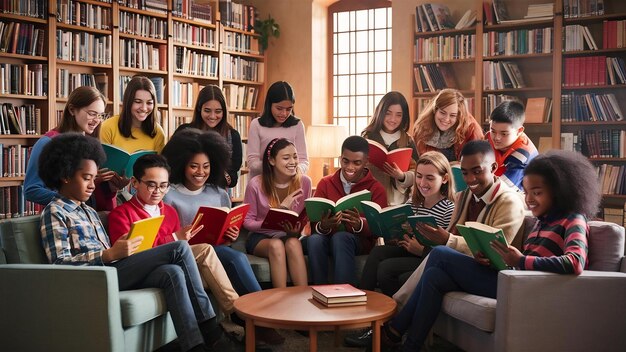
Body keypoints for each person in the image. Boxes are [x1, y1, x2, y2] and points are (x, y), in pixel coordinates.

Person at [375, 149, 601, 351]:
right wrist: (495, 259)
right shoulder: (542, 221)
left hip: (530, 289)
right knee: (435, 275)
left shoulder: (573, 220)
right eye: (528, 192)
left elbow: (574, 262)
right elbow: (521, 262)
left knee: (441, 254)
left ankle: (394, 329)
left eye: (537, 193)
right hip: (514, 278)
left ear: (558, 190)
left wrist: (521, 261)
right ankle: (410, 345)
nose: (529, 200)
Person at [37, 133, 240, 352]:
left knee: (172, 272)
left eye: (93, 178)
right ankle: (212, 331)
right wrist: (108, 255)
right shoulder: (55, 211)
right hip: (94, 278)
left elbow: (110, 250)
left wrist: (119, 249)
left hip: (112, 269)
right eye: (87, 178)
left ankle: (195, 346)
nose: (92, 185)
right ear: (66, 175)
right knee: (180, 248)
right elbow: (58, 264)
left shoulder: (89, 211)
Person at [160, 129, 284, 346]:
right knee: (235, 259)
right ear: (181, 165)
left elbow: (226, 238)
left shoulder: (218, 193)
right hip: (188, 255)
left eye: (206, 166)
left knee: (231, 255)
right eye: (194, 166)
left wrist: (232, 234)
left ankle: (256, 322)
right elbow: (167, 236)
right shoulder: (169, 194)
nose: (200, 172)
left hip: (216, 251)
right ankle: (260, 320)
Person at [392, 140, 526, 311]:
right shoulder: (464, 196)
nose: (470, 179)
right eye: (464, 173)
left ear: (493, 167)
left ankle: (397, 307)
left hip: (495, 274)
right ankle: (398, 332)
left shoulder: (508, 202)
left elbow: (496, 252)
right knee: (433, 275)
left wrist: (447, 240)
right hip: (468, 263)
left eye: (477, 172)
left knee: (439, 252)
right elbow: (453, 232)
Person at [345, 151, 454, 348]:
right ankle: (366, 318)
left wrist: (420, 249)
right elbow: (401, 230)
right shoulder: (413, 203)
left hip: (427, 259)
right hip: (411, 249)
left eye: (430, 178)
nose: (422, 183)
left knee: (387, 268)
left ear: (444, 179)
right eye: (419, 176)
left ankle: (387, 323)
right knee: (378, 253)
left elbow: (446, 251)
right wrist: (392, 234)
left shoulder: (448, 209)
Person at [303, 136, 388, 285]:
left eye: (357, 163)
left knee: (341, 237)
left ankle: (344, 293)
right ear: (340, 158)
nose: (350, 167)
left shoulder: (376, 188)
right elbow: (314, 225)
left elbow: (381, 228)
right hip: (326, 238)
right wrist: (324, 225)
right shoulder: (325, 183)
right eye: (345, 161)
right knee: (314, 240)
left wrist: (359, 225)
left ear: (366, 162)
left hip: (357, 242)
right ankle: (318, 291)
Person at [24, 86, 121, 210]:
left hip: (91, 216)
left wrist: (111, 187)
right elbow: (31, 190)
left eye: (100, 115)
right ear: (72, 109)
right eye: (92, 114)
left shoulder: (92, 145)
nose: (97, 120)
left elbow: (91, 192)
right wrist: (71, 198)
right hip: (63, 217)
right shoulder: (47, 143)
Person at [243, 137, 312, 288]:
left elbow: (305, 216)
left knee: (293, 243)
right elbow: (247, 221)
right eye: (286, 158)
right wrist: (278, 212)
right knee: (276, 245)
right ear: (272, 161)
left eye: (295, 157)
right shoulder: (255, 184)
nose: (293, 162)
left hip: (290, 235)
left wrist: (297, 231)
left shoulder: (305, 182)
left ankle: (303, 296)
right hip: (261, 237)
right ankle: (279, 300)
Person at [175, 85, 243, 188]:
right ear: (199, 109)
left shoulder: (233, 136)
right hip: (184, 193)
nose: (212, 116)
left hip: (216, 196)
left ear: (224, 112)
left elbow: (233, 178)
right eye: (207, 111)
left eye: (218, 111)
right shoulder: (184, 132)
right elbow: (173, 165)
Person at [362, 91, 419, 205]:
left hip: (399, 201)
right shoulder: (367, 137)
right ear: (380, 112)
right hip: (372, 197)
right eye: (388, 113)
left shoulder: (407, 141)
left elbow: (418, 173)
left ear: (404, 117)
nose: (393, 119)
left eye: (398, 115)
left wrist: (402, 176)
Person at [246, 81, 308, 178]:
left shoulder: (298, 125)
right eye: (279, 108)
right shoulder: (256, 125)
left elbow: (304, 161)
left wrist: (293, 170)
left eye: (289, 109)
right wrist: (277, 167)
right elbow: (252, 162)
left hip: (289, 183)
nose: (284, 114)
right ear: (269, 104)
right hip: (261, 183)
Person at [412, 88, 483, 162]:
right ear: (435, 110)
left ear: (459, 116)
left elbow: (475, 164)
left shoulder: (471, 129)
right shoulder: (421, 129)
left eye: (452, 115)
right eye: (442, 113)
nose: (446, 119)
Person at [100, 75, 166, 154]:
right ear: (128, 102)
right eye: (138, 102)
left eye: (149, 103)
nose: (144, 108)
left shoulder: (158, 132)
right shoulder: (107, 127)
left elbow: (159, 164)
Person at [486, 100, 538, 191]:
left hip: (517, 197)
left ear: (519, 131)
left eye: (504, 134)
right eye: (493, 131)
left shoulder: (523, 154)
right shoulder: (488, 137)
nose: (496, 138)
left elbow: (502, 189)